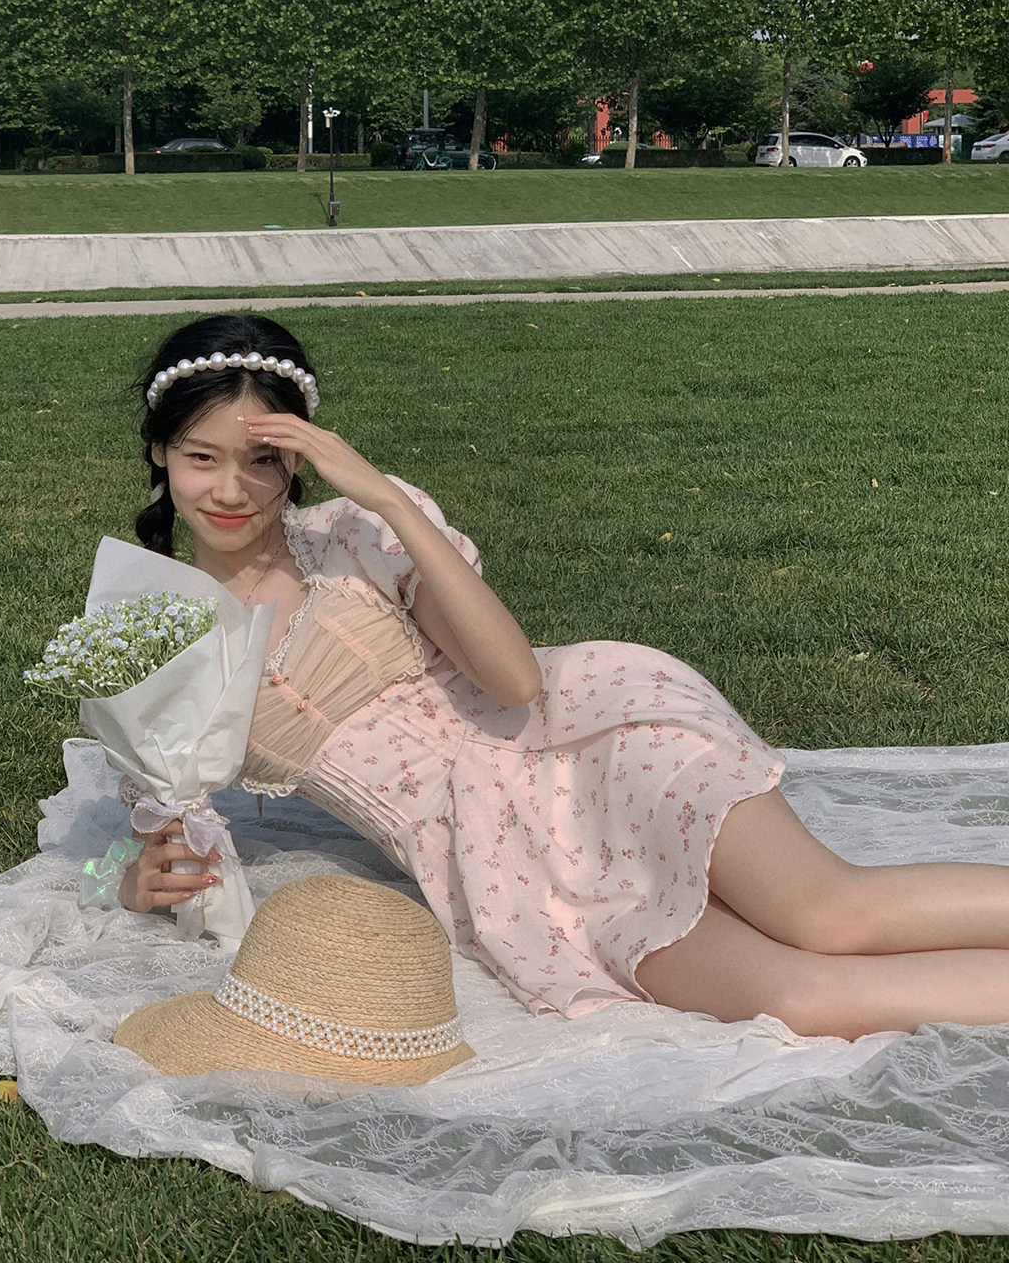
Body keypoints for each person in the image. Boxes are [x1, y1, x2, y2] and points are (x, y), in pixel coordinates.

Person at [119, 312, 1009, 1042]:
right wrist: (126, 880)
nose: (231, 490)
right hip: (498, 867)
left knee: (832, 916)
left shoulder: (356, 536)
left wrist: (384, 496)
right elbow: (148, 827)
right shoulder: (152, 635)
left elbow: (513, 682)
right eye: (202, 457)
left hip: (591, 749)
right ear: (160, 451)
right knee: (801, 998)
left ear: (301, 460)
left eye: (264, 460)